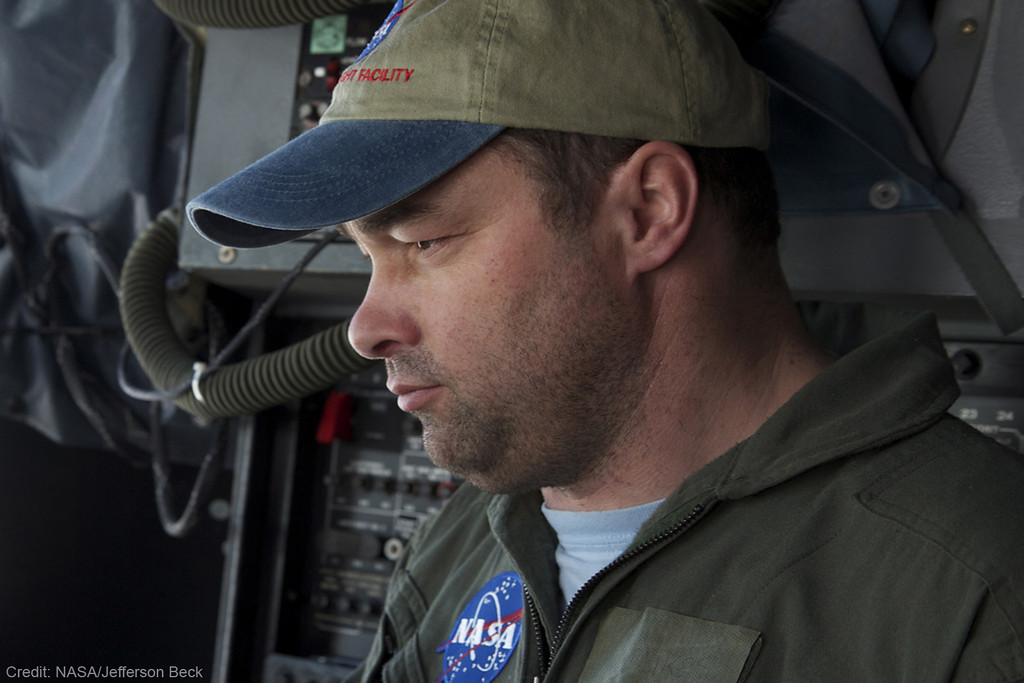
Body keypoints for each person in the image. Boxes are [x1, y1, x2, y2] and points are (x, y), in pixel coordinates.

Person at [187, 0, 1024, 680]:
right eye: (366, 257)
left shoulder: (973, 592)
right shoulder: (475, 532)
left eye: (425, 242)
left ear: (649, 210)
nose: (366, 330)